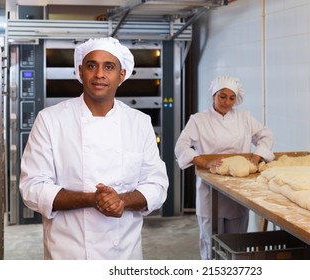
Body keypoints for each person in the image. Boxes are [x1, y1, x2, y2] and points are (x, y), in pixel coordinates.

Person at [19, 37, 169, 260]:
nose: (99, 73)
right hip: (69, 254)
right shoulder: (51, 120)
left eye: (109, 66)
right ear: (80, 72)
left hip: (124, 254)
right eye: (92, 65)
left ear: (122, 75)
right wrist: (91, 199)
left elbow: (157, 184)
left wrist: (122, 200)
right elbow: (32, 187)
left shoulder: (139, 122)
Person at [174, 76, 274, 260]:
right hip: (210, 188)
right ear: (213, 95)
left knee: (236, 242)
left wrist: (257, 154)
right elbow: (181, 146)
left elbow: (265, 136)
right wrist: (204, 162)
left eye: (231, 98)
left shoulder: (244, 117)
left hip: (237, 188)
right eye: (222, 96)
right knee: (210, 241)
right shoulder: (198, 120)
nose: (227, 102)